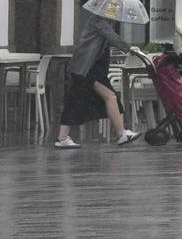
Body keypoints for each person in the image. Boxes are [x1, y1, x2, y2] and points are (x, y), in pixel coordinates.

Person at [54, 13, 143, 149]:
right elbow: (110, 36)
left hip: (88, 68)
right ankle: (121, 133)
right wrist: (128, 48)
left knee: (74, 101)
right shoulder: (98, 20)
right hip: (86, 68)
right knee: (110, 96)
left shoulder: (106, 21)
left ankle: (62, 138)